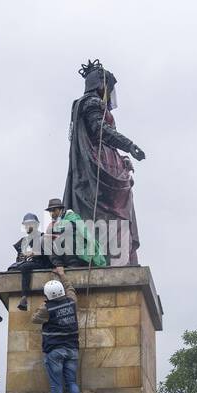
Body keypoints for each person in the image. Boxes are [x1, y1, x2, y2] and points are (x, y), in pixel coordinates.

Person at [64, 59, 145, 266]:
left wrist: (122, 157)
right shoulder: (92, 103)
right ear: (100, 84)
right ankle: (115, 258)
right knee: (112, 213)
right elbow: (100, 131)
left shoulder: (86, 104)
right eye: (108, 86)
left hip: (100, 161)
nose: (109, 92)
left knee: (109, 213)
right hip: (100, 164)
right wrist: (129, 145)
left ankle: (114, 256)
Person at [0, 213, 52, 326]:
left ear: (37, 225)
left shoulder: (43, 238)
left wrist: (36, 253)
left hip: (39, 265)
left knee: (25, 267)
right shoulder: (23, 241)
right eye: (26, 224)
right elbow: (19, 259)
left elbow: (50, 255)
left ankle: (24, 297)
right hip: (23, 267)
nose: (28, 227)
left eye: (31, 224)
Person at [33, 279, 83, 393]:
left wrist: (44, 303)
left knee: (56, 384)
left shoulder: (46, 309)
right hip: (72, 349)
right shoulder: (72, 302)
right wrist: (62, 275)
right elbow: (71, 288)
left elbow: (35, 319)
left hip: (55, 351)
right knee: (72, 382)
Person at [42, 198, 107, 278]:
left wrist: (57, 233)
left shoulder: (71, 216)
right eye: (50, 211)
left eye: (54, 210)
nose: (52, 213)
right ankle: (58, 265)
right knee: (44, 240)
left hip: (78, 251)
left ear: (60, 209)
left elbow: (71, 228)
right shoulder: (56, 222)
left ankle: (73, 265)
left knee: (66, 239)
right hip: (62, 252)